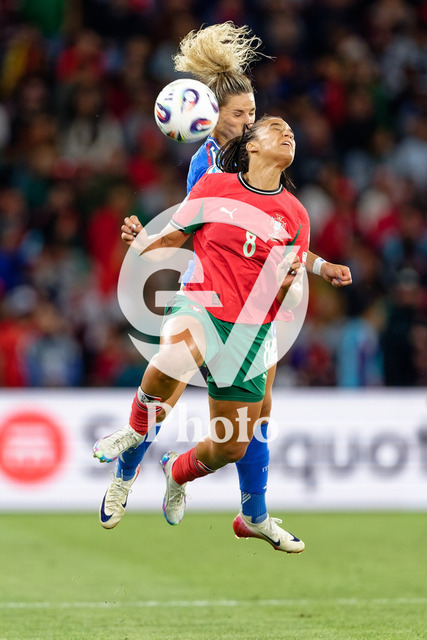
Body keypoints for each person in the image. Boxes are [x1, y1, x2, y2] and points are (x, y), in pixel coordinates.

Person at [97, 23, 352, 552]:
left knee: (258, 415)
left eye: (252, 113)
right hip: (210, 289)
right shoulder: (207, 167)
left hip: (257, 303)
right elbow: (201, 231)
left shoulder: (265, 166)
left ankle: (250, 512)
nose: (248, 122)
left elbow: (279, 230)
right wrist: (150, 241)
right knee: (171, 373)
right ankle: (125, 472)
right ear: (209, 117)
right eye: (239, 115)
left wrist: (308, 267)